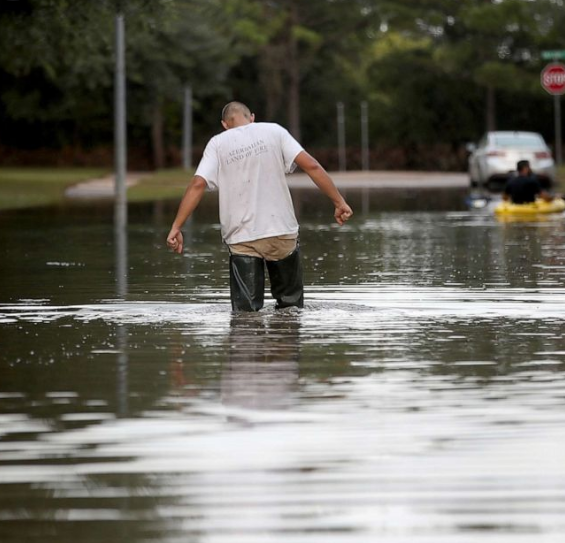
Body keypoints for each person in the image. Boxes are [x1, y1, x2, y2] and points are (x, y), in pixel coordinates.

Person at [166, 101, 353, 312]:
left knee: (245, 316)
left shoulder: (217, 143)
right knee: (291, 309)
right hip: (281, 231)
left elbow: (198, 184)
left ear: (224, 124)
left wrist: (176, 226)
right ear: (252, 117)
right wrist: (339, 202)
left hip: (242, 237)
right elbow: (312, 165)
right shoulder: (274, 131)